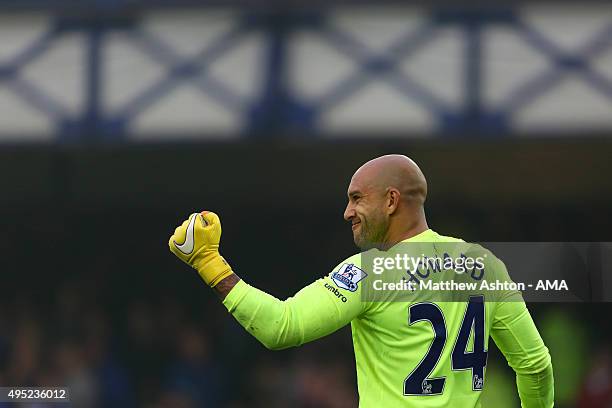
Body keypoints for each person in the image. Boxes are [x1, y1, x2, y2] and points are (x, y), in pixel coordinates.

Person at [168, 154, 554, 407]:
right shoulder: (484, 265)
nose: (347, 212)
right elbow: (535, 366)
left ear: (390, 201)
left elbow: (280, 327)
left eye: (356, 199)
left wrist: (209, 263)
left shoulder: (371, 272)